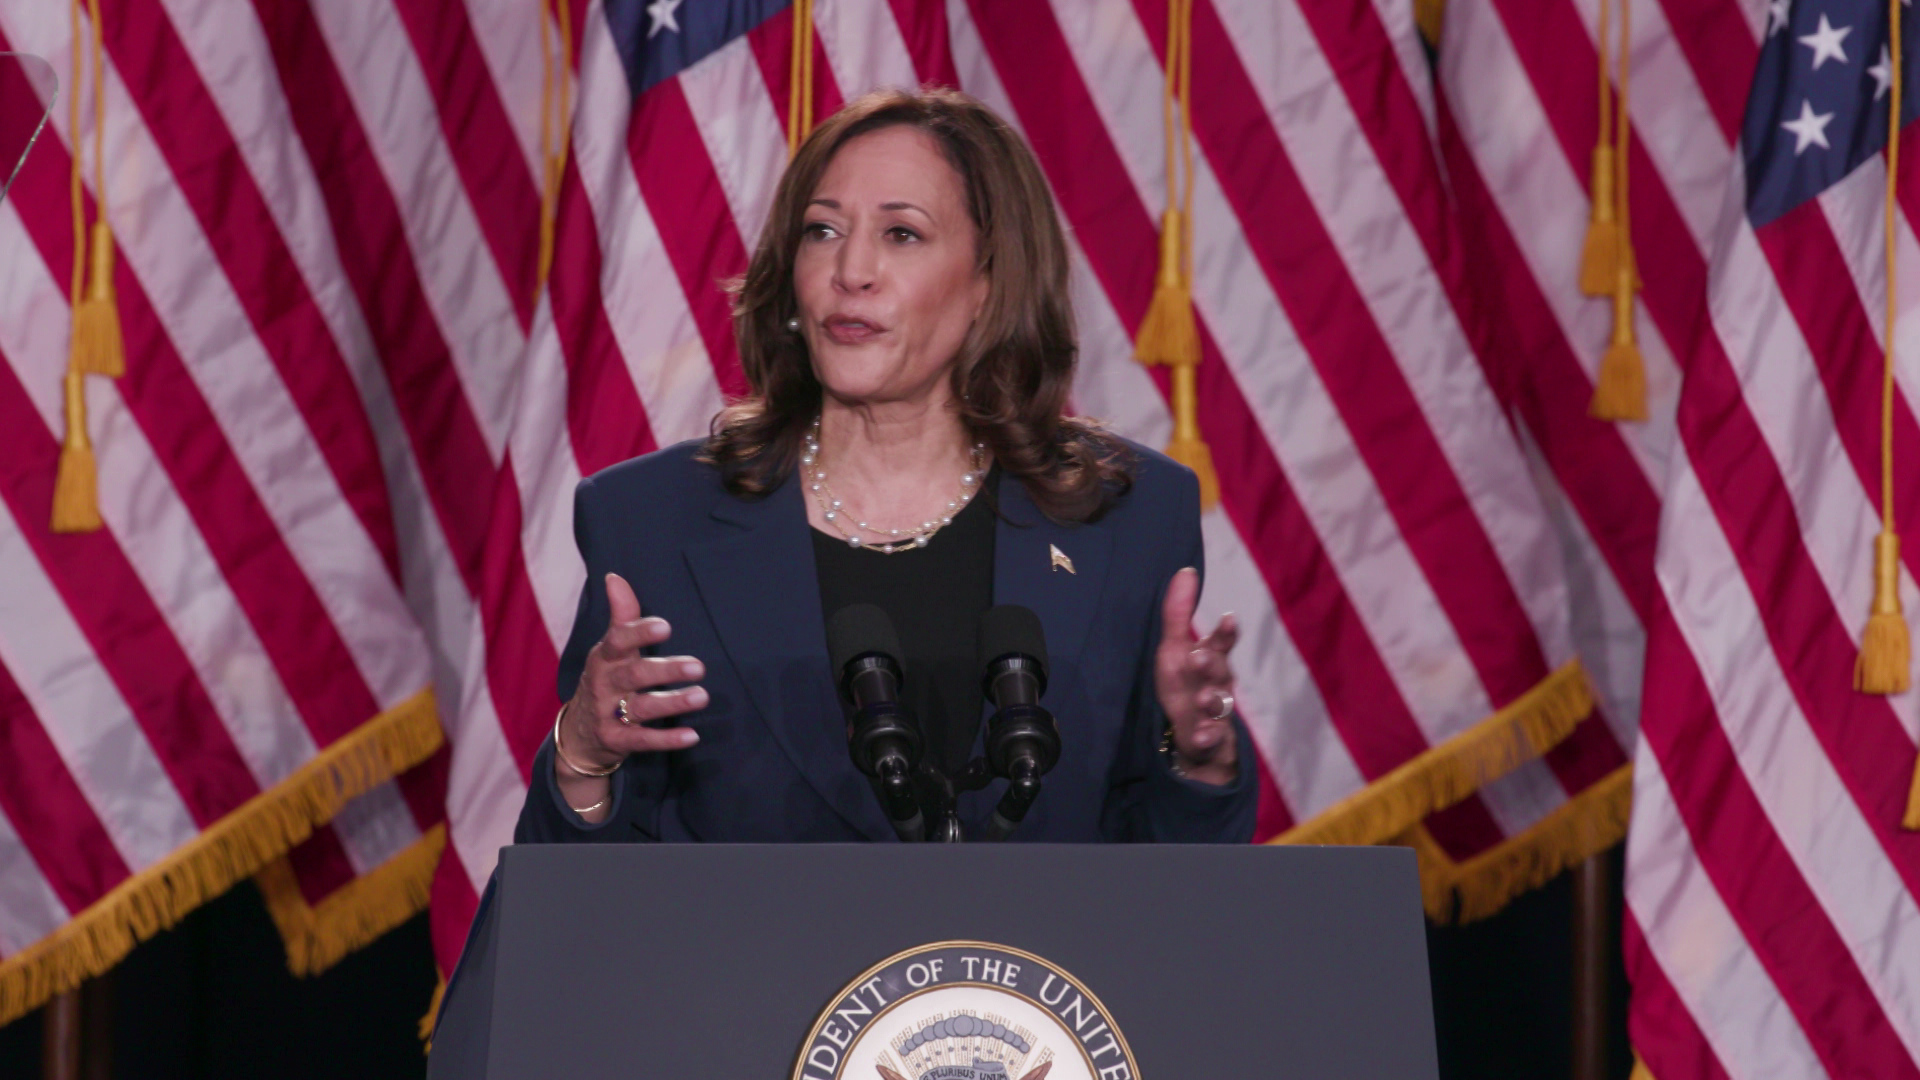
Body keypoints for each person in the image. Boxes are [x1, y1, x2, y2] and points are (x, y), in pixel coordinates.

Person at [515, 87, 1255, 846]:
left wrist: (1196, 759)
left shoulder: (1128, 517)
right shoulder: (652, 521)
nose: (851, 269)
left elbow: (1174, 902)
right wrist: (583, 755)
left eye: (902, 234)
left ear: (989, 282)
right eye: (822, 230)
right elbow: (579, 912)